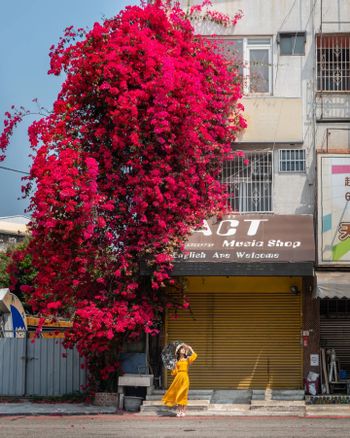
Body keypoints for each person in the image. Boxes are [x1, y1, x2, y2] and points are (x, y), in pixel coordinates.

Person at [162, 343, 197, 417]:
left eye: (184, 349)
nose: (183, 350)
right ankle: (179, 411)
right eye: (181, 349)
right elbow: (174, 373)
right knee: (178, 394)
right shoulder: (177, 362)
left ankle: (184, 411)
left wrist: (190, 348)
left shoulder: (187, 359)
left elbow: (195, 355)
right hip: (178, 378)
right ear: (178, 351)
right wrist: (174, 366)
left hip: (185, 377)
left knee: (184, 394)